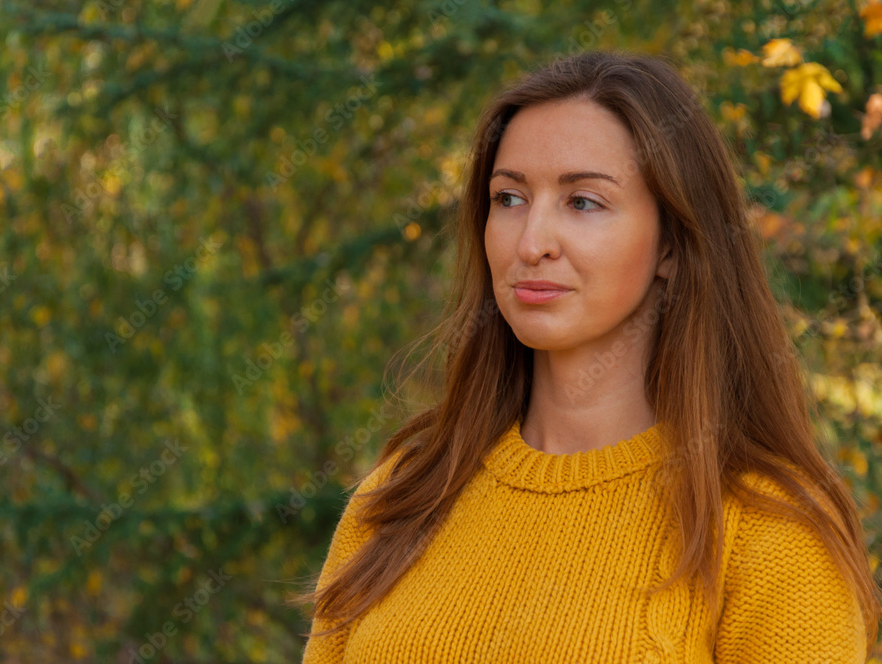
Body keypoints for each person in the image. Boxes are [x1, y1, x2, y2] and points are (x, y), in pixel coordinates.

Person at [294, 49, 882, 662]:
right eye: (509, 198)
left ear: (671, 245)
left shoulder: (771, 530)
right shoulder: (403, 495)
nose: (531, 243)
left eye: (583, 202)